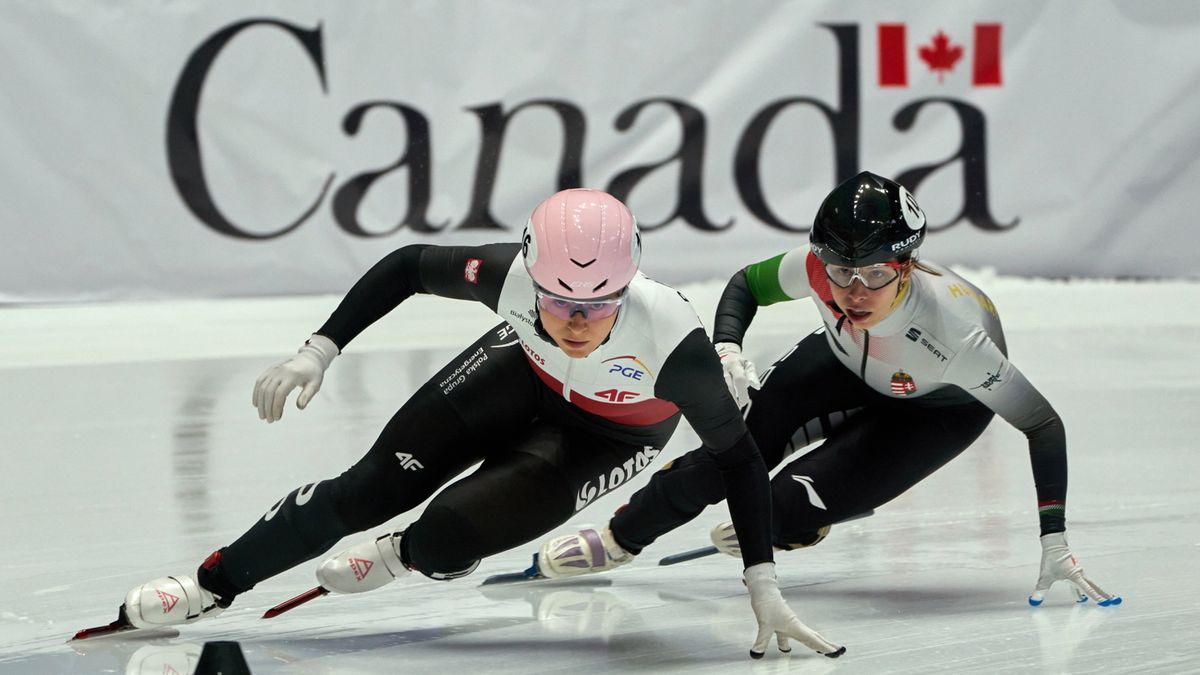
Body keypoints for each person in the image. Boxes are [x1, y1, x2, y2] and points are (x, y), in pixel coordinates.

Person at [112, 188, 844, 659]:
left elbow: (743, 460)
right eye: (559, 302)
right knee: (362, 491)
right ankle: (210, 581)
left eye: (599, 304)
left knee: (450, 533)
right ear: (532, 275)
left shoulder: (674, 348)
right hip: (516, 370)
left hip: (611, 434)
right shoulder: (507, 276)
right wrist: (319, 349)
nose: (579, 322)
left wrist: (761, 580)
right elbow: (404, 266)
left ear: (628, 287)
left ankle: (413, 550)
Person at [536, 173, 1119, 621]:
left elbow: (1043, 425)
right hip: (841, 363)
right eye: (841, 271)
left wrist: (1055, 539)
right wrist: (727, 349)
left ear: (907, 265)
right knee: (725, 456)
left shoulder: (956, 336)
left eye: (874, 274)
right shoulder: (820, 270)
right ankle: (619, 538)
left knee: (781, 507)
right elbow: (744, 285)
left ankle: (800, 517)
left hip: (937, 409)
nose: (854, 292)